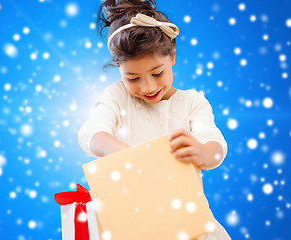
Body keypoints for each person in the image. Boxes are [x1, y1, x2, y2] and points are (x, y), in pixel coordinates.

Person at [78, 0, 231, 239]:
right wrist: (125, 154)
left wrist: (202, 152)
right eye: (132, 78)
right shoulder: (118, 97)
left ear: (172, 56)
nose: (148, 87)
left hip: (188, 224)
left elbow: (216, 147)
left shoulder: (191, 102)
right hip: (135, 225)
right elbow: (90, 134)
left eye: (157, 73)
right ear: (119, 70)